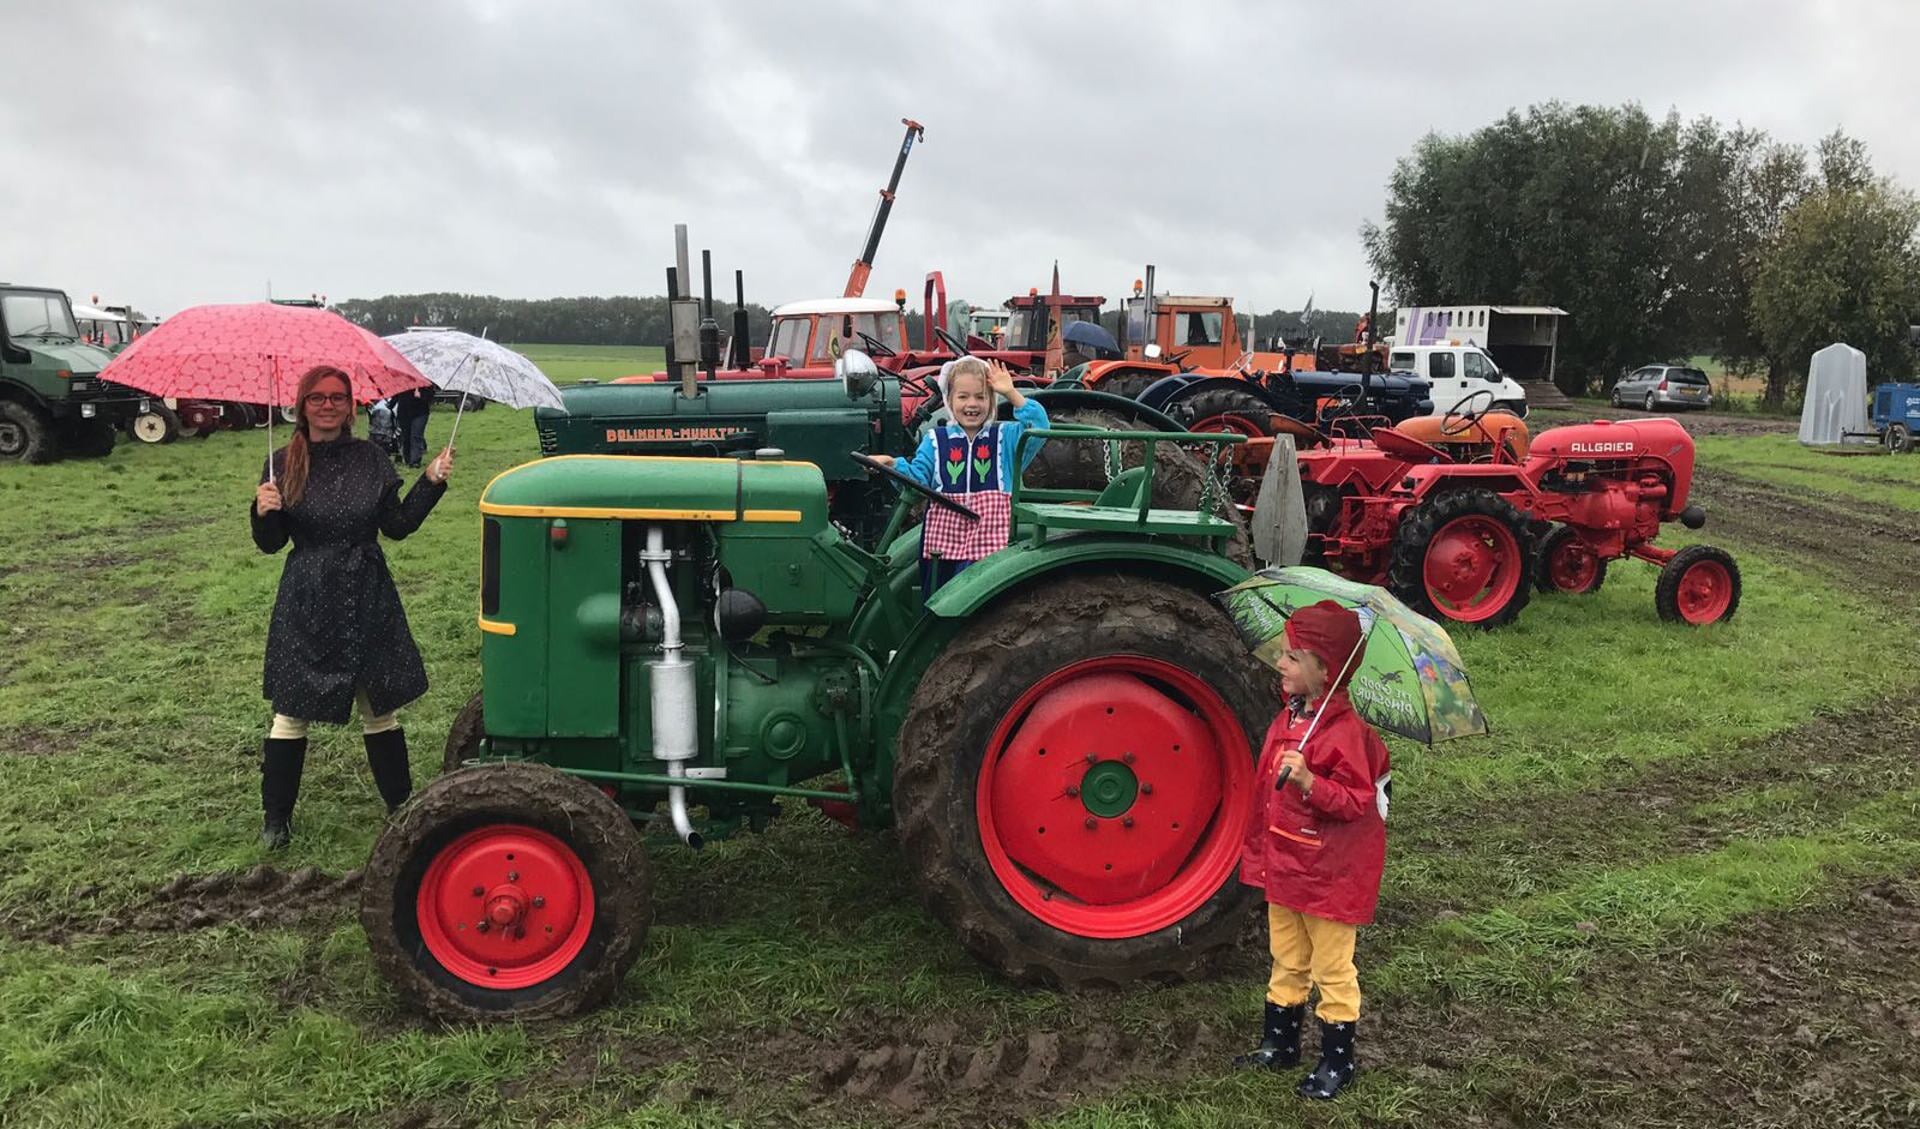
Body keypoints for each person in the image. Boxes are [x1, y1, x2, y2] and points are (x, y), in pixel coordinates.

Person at [250, 366, 453, 849]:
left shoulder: (371, 458)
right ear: (301, 406)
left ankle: (402, 809)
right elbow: (271, 544)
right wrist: (262, 511)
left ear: (352, 405)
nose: (327, 406)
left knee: (378, 707)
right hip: (308, 594)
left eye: (337, 397)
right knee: (290, 714)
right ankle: (275, 821)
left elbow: (398, 526)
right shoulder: (282, 462)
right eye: (317, 398)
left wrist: (429, 483)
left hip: (367, 589)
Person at [1233, 600, 1390, 1101]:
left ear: (1327, 668)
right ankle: (1279, 1044)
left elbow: (1356, 803)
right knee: (1287, 957)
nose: (1281, 662)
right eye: (1283, 652)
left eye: (1294, 656)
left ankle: (1336, 1061)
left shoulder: (1346, 734)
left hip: (1329, 874)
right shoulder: (1292, 717)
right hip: (1288, 865)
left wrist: (1310, 782)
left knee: (1332, 968)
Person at [868, 357, 1046, 596]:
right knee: (940, 602)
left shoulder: (1006, 437)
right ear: (949, 399)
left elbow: (1039, 426)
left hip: (989, 544)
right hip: (943, 546)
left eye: (981, 396)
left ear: (991, 400)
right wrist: (892, 463)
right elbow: (917, 481)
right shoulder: (936, 440)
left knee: (983, 606)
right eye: (963, 396)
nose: (972, 404)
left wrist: (1011, 393)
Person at [391, 383, 434, 467]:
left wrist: (421, 396)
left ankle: (415, 461)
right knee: (406, 436)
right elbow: (396, 394)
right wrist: (390, 404)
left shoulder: (425, 382)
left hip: (420, 413)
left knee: (416, 435)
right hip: (404, 412)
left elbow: (430, 397)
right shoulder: (402, 380)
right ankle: (407, 458)